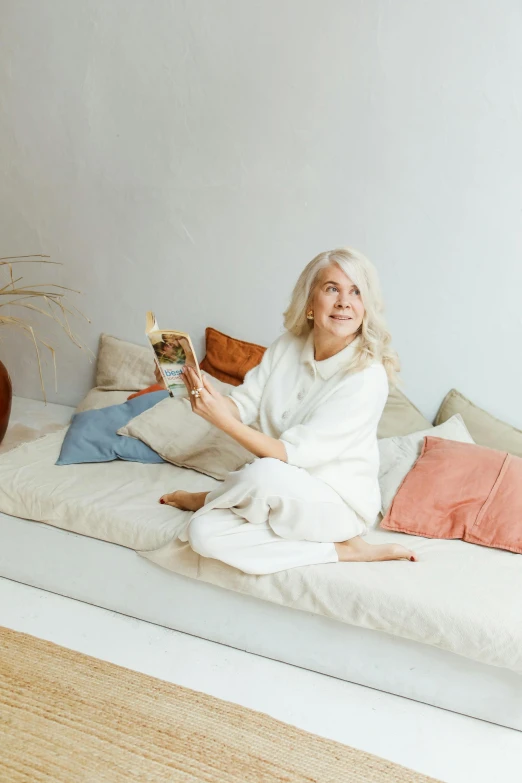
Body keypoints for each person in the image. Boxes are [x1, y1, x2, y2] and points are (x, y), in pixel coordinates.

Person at [159, 247, 417, 574]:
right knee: (202, 534)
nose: (344, 302)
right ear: (310, 302)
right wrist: (191, 387)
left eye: (356, 292)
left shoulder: (367, 378)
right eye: (332, 288)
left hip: (335, 505)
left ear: (366, 306)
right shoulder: (287, 346)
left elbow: (289, 455)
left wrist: (222, 422)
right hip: (276, 492)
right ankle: (330, 547)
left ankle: (350, 548)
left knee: (261, 473)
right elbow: (241, 405)